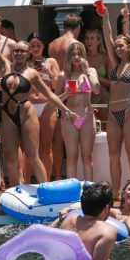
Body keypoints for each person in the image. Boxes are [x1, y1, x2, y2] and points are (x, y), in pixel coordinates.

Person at [0, 14, 76, 185]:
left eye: (23, 51)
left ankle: (45, 189)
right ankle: (17, 192)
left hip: (27, 113)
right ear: (12, 53)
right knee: (10, 159)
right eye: (16, 51)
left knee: (33, 155)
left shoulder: (32, 73)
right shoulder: (5, 66)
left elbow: (51, 95)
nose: (19, 53)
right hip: (8, 114)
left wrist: (67, 110)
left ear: (28, 54)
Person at [100, 3, 130, 195]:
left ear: (129, 48)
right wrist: (104, 15)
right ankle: (116, 193)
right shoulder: (114, 63)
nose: (117, 48)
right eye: (116, 46)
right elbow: (107, 36)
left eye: (121, 46)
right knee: (113, 155)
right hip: (113, 113)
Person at [56, 41, 100, 181]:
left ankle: (89, 190)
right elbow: (55, 100)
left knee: (87, 157)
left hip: (87, 115)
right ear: (69, 56)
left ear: (84, 56)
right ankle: (71, 191)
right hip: (70, 117)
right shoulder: (63, 75)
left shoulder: (91, 71)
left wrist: (87, 71)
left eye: (79, 54)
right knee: (71, 158)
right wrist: (66, 94)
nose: (76, 57)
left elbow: (97, 90)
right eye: (73, 54)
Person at [48, 12, 83, 180]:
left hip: (58, 91)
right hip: (72, 93)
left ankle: (57, 175)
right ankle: (75, 175)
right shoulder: (76, 44)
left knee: (57, 139)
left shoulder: (52, 44)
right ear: (77, 28)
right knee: (73, 139)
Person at [24, 32, 60, 181]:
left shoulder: (51, 61)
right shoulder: (24, 63)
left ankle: (46, 181)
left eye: (38, 45)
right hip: (30, 105)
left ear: (44, 46)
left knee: (46, 147)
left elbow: (58, 87)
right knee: (29, 148)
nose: (36, 48)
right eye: (32, 45)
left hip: (47, 106)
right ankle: (26, 181)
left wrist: (49, 73)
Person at [84, 28, 112, 124]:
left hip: (103, 98)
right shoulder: (81, 58)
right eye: (87, 38)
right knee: (85, 128)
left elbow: (112, 83)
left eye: (92, 38)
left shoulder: (105, 58)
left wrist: (96, 77)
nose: (89, 41)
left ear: (99, 41)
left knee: (103, 129)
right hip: (85, 100)